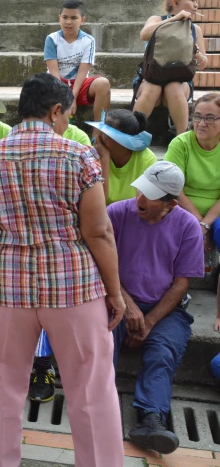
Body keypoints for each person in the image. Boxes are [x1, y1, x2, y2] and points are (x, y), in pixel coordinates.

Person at [0, 73, 125, 467]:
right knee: (91, 393)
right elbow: (99, 232)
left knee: (3, 390)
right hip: (74, 289)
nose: (66, 121)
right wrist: (115, 292)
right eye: (67, 113)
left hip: (5, 291)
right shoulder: (78, 156)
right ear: (54, 112)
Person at [108, 161, 203, 455]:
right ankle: (100, 404)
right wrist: (128, 305)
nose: (139, 199)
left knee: (163, 352)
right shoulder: (116, 213)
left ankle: (151, 419)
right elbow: (101, 264)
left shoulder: (188, 226)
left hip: (165, 309)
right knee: (101, 338)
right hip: (115, 298)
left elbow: (180, 285)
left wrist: (148, 322)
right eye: (140, 190)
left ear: (171, 204)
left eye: (149, 196)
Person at [133, 0, 208, 136]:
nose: (196, 6)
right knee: (152, 88)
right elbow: (144, 35)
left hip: (179, 81)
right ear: (175, 2)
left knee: (173, 87)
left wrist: (196, 51)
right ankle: (131, 133)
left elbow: (203, 65)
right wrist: (174, 20)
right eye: (192, 0)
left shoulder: (195, 29)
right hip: (152, 77)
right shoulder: (156, 19)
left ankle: (182, 139)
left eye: (197, 2)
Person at [164, 94, 220, 249]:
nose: (201, 123)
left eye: (210, 118)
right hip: (181, 208)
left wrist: (205, 224)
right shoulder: (180, 144)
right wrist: (198, 223)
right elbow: (174, 190)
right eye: (197, 116)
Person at [44, 0, 111, 124]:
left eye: (74, 18)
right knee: (38, 87)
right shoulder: (52, 39)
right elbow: (53, 71)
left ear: (82, 20)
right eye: (65, 17)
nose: (68, 22)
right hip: (56, 83)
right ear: (59, 18)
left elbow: (82, 71)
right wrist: (65, 97)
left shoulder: (88, 40)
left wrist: (72, 96)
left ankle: (98, 132)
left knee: (103, 84)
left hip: (79, 84)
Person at [88, 109, 157, 205]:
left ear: (123, 141)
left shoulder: (147, 160)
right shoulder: (92, 155)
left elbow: (147, 205)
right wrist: (104, 159)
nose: (99, 136)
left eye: (106, 133)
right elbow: (97, 205)